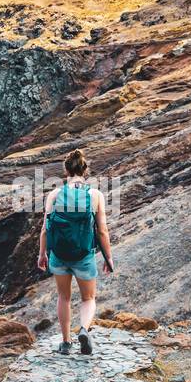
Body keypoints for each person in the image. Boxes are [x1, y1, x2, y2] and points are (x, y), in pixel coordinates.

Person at [37, 149, 114, 355]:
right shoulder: (95, 195)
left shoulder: (55, 194)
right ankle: (84, 329)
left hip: (59, 255)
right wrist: (108, 257)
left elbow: (45, 228)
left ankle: (65, 342)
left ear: (66, 170)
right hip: (84, 256)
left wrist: (42, 254)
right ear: (85, 169)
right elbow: (102, 231)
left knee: (64, 297)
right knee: (88, 298)